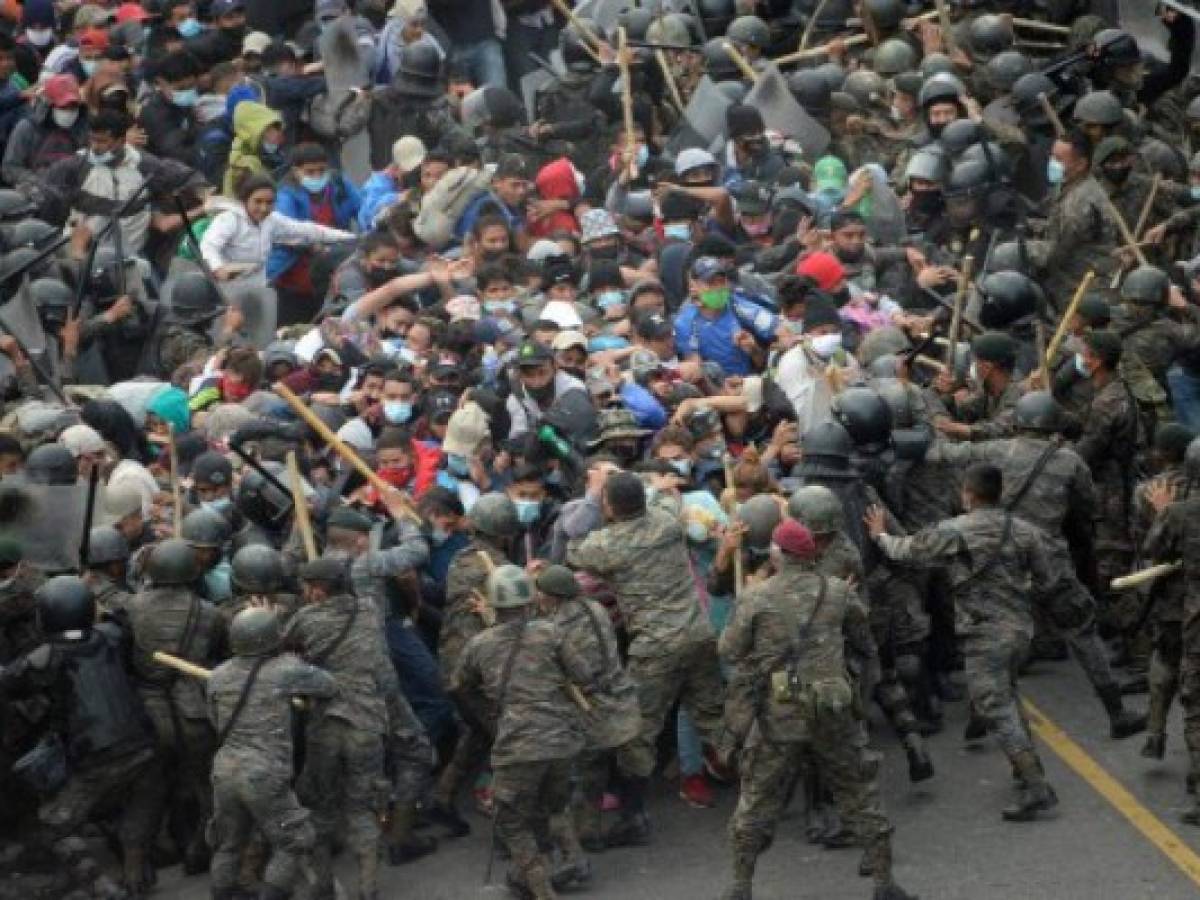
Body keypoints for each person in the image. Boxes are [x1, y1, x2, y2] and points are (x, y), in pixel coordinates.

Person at [719, 518, 915, 900]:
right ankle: (884, 883)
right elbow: (865, 642)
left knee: (757, 800)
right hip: (832, 709)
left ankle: (740, 886)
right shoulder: (839, 592)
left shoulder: (756, 597)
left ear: (778, 554)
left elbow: (729, 651)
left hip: (779, 716)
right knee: (859, 791)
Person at [866, 463, 1059, 821]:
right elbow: (1047, 580)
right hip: (1021, 630)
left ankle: (1036, 786)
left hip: (984, 634)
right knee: (1009, 694)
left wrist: (879, 535)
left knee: (993, 706)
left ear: (968, 494)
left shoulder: (956, 531)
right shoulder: (1024, 530)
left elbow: (908, 551)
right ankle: (1023, 766)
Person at [568, 472, 725, 845]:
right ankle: (765, 785)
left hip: (656, 649)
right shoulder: (669, 521)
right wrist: (656, 487)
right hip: (699, 634)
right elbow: (671, 500)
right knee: (714, 719)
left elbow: (574, 550)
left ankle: (633, 817)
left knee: (638, 734)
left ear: (609, 505)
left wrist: (592, 498)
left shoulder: (607, 545)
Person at [0, 576, 163, 896]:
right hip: (143, 744)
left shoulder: (45, 657)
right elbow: (121, 627)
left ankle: (96, 885)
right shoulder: (113, 635)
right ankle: (135, 864)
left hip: (94, 758)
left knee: (51, 823)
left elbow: (11, 682)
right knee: (136, 805)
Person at [450, 564, 594, 899]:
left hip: (516, 745)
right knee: (550, 808)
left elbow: (458, 686)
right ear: (529, 599)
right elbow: (585, 676)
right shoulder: (551, 633)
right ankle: (550, 870)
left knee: (512, 820)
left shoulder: (478, 645)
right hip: (561, 739)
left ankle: (541, 889)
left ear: (493, 603)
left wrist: (488, 718)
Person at [207, 606, 337, 900]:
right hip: (263, 773)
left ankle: (224, 894)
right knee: (294, 840)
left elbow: (215, 721)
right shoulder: (285, 670)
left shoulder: (217, 675)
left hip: (224, 769)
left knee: (228, 843)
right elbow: (329, 686)